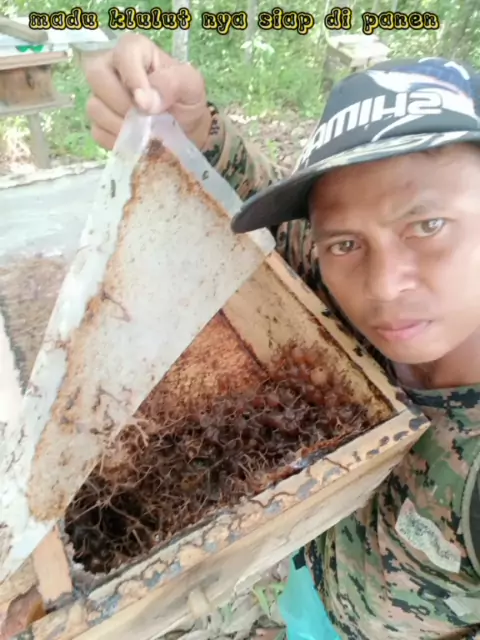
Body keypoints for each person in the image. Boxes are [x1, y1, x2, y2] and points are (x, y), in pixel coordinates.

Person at [83, 34, 480, 639]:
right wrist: (192, 131)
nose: (382, 286)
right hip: (315, 582)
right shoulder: (337, 286)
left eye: (427, 225)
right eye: (346, 242)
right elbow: (270, 229)